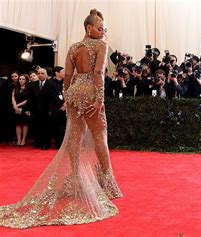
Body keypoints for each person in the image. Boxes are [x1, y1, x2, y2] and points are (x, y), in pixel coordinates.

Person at [0, 9, 122, 229]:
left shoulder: (74, 47)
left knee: (74, 136)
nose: (103, 32)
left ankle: (76, 179)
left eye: (104, 28)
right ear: (89, 28)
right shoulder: (101, 46)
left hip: (75, 91)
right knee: (99, 135)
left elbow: (67, 76)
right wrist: (100, 98)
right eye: (101, 28)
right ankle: (108, 185)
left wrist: (67, 98)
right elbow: (98, 74)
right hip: (91, 91)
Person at [11, 74, 31, 146]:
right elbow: (13, 97)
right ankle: (18, 140)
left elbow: (27, 100)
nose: (21, 80)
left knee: (25, 123)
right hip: (16, 108)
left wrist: (17, 105)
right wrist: (15, 106)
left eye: (23, 79)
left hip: (25, 107)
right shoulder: (16, 88)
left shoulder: (28, 88)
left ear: (26, 80)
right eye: (20, 79)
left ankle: (23, 140)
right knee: (18, 124)